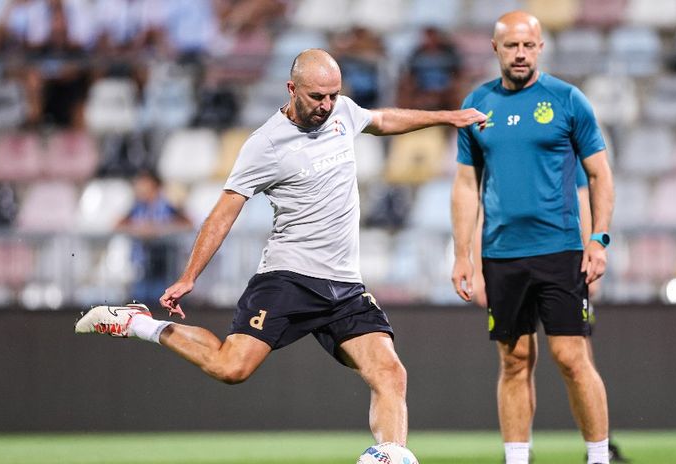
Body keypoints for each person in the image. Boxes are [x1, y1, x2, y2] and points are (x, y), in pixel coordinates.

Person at [76, 48, 486, 448]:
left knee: (390, 373)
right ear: (292, 88)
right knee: (230, 368)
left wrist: (448, 117)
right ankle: (136, 323)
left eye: (333, 95)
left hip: (344, 285)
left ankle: (390, 457)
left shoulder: (342, 111)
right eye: (317, 97)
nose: (327, 105)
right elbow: (223, 214)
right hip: (289, 277)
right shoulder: (265, 145)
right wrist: (188, 277)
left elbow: (382, 119)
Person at [450, 11, 615, 464]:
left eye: (528, 45)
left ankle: (599, 457)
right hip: (501, 254)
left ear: (540, 48)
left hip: (560, 249)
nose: (520, 53)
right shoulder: (476, 105)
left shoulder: (567, 100)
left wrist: (598, 239)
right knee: (514, 360)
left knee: (570, 356)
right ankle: (517, 460)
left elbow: (599, 174)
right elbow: (466, 185)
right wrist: (462, 254)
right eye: (511, 46)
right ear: (495, 49)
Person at [116, 170, 193, 306]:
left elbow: (188, 223)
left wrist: (160, 229)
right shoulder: (137, 206)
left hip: (165, 265)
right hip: (143, 266)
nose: (140, 188)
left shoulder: (168, 205)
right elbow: (118, 225)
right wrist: (139, 230)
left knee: (162, 300)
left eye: (144, 184)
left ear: (155, 186)